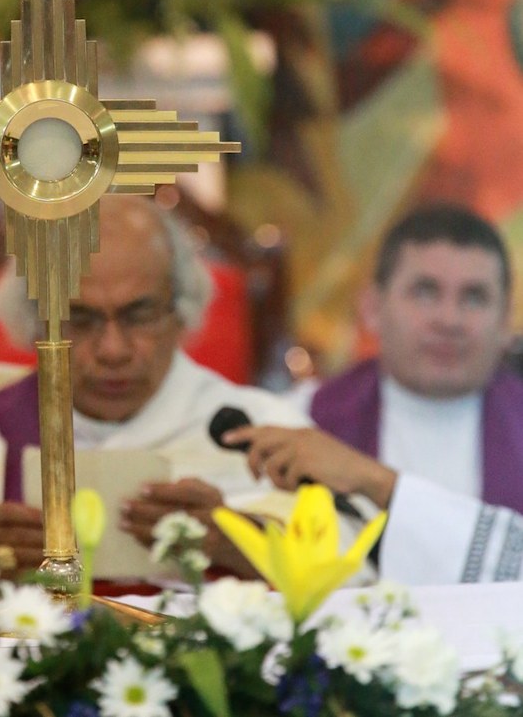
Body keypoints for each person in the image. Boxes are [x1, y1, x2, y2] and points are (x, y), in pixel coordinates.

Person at [0, 195, 312, 598]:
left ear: (182, 309)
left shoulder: (259, 429)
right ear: (33, 321)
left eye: (139, 314)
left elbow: (339, 575)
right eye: (78, 319)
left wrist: (236, 544)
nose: (113, 350)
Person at [216, 202, 523, 584]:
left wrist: (376, 482)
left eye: (474, 297)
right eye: (425, 292)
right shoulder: (298, 420)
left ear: (506, 320)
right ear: (373, 308)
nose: (449, 320)